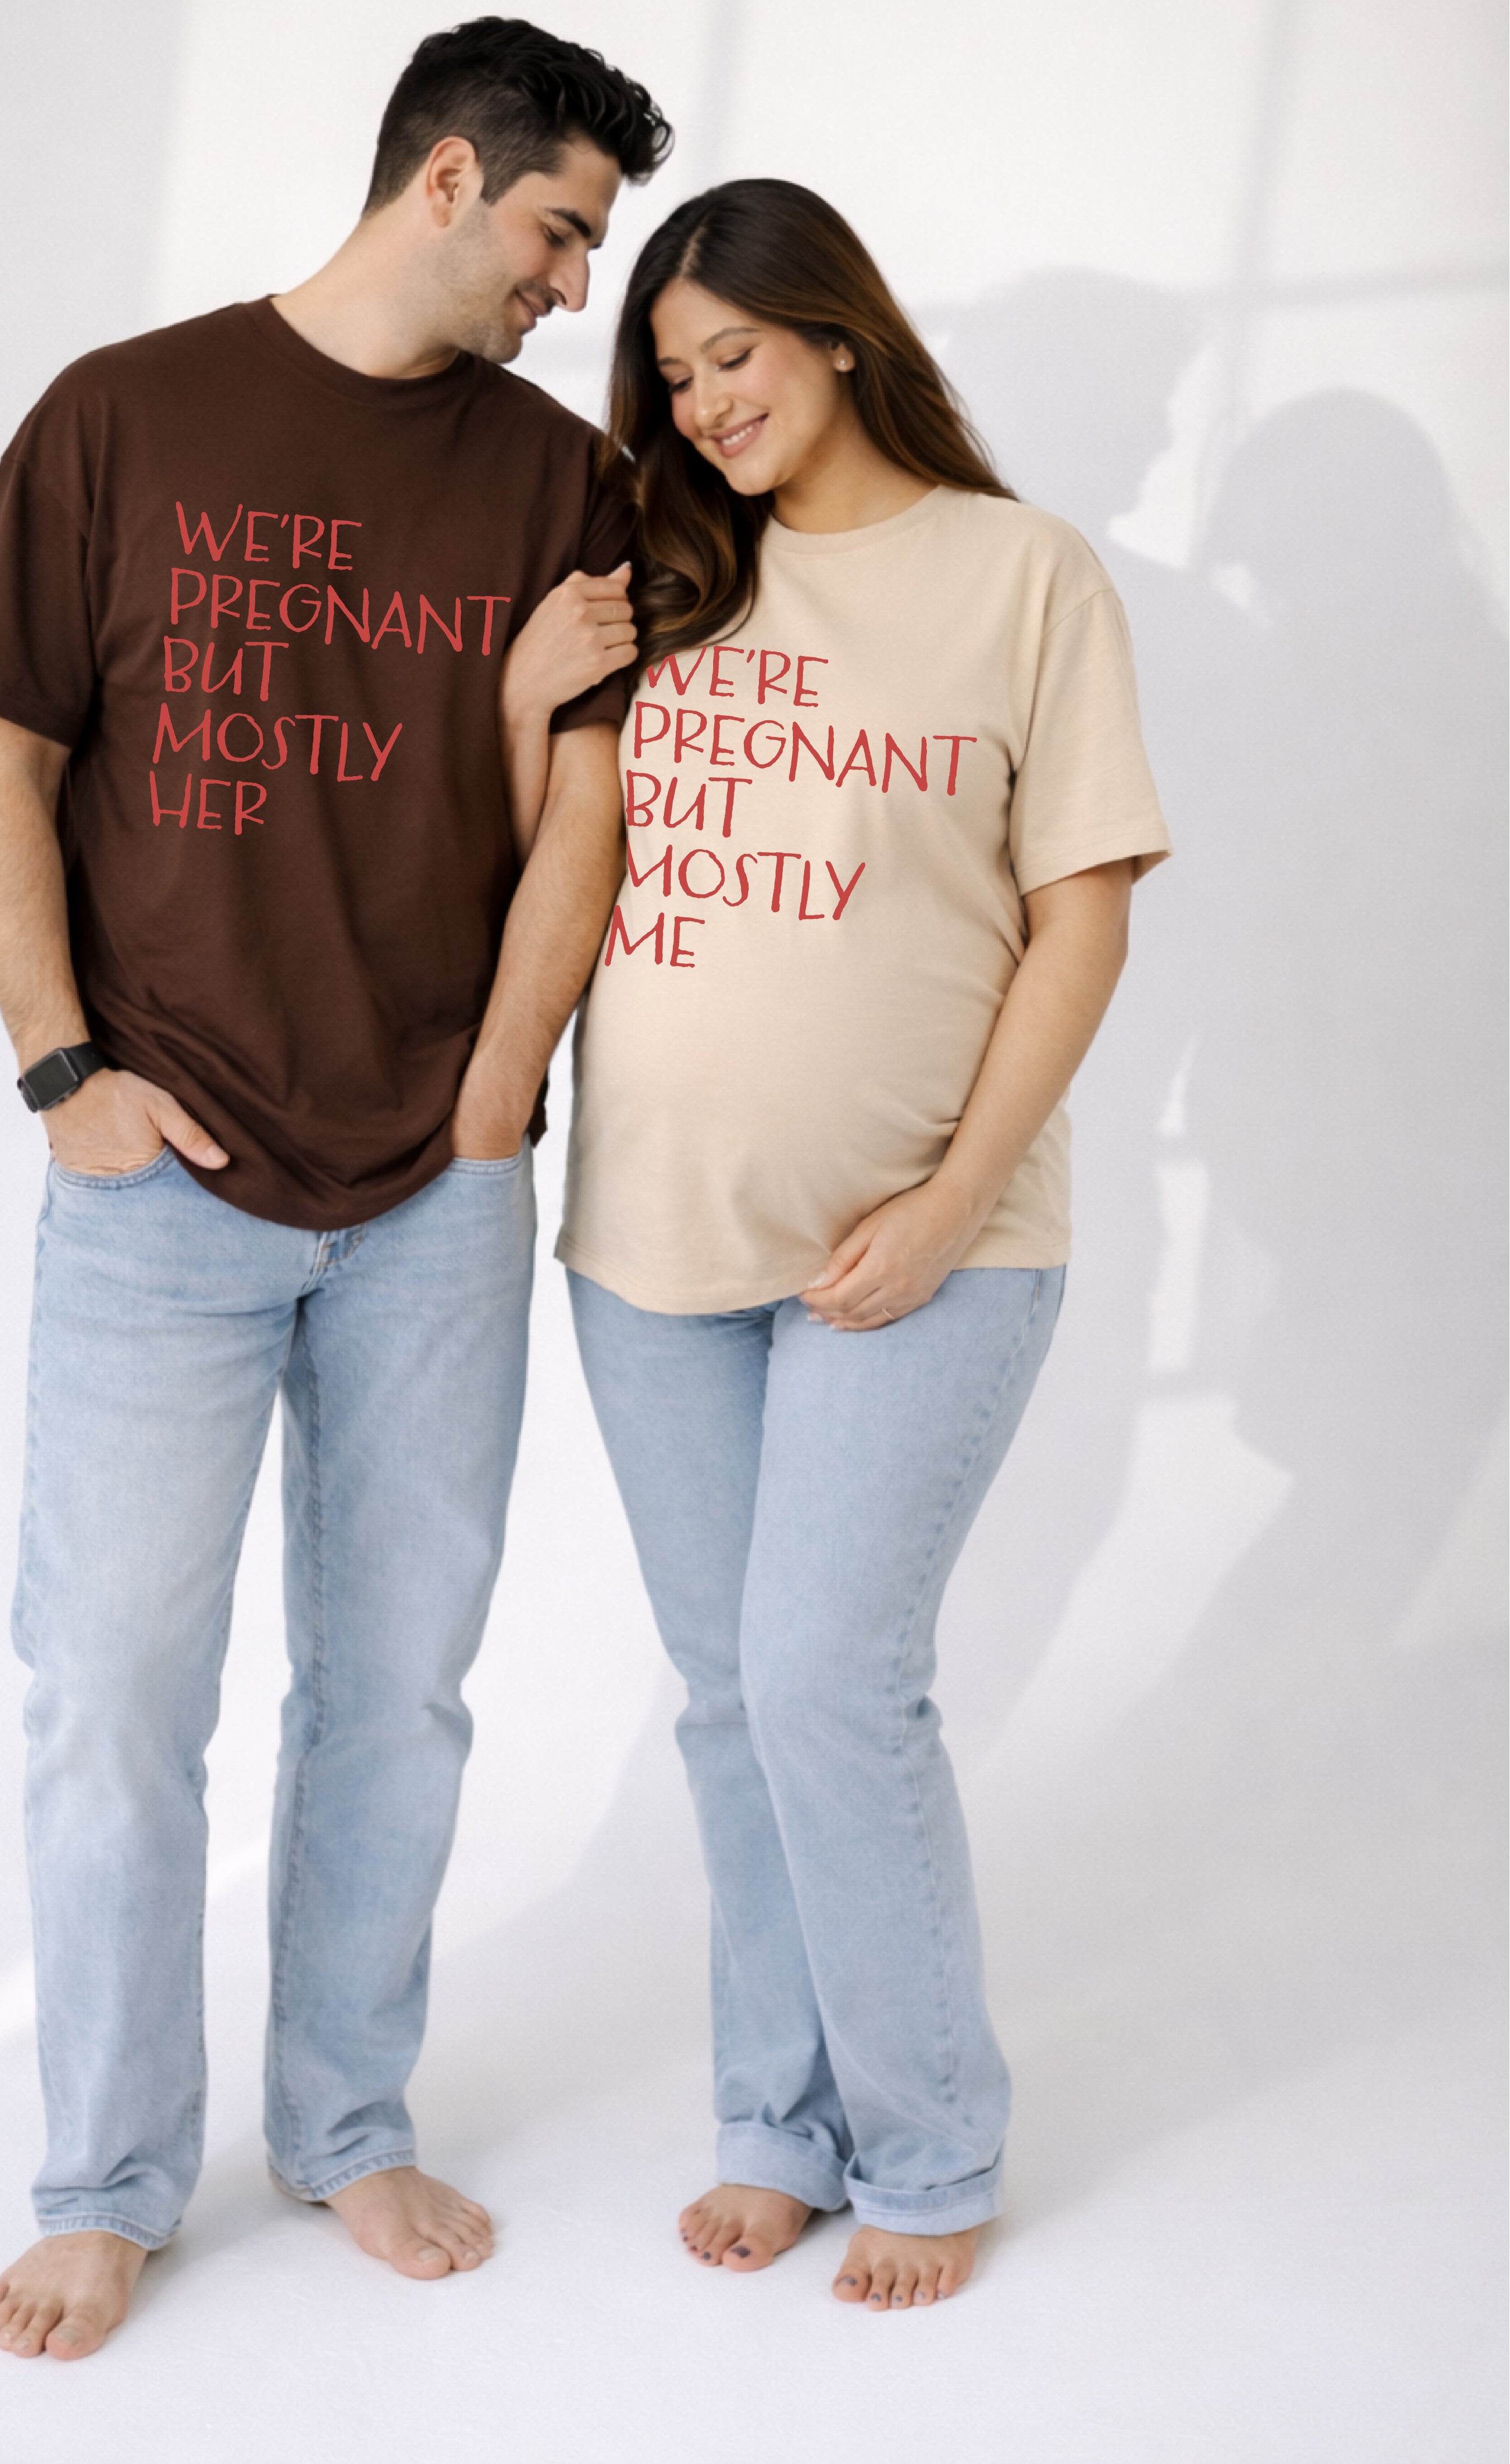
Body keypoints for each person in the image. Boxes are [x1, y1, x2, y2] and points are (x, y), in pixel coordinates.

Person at [0, 17, 670, 2360]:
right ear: (447, 179)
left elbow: (592, 830)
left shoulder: (563, 490)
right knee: (115, 1689)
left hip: (435, 1192)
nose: (576, 290)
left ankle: (344, 2120)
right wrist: (64, 1075)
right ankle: (112, 2175)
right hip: (161, 1182)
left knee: (397, 1689)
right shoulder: (124, 415)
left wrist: (491, 1116)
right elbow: (6, 762)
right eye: (560, 230)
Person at [540, 180, 1170, 2311]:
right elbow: (540, 857)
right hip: (648, 1238)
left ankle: (925, 2141)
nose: (708, 401)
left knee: (829, 1676)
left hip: (935, 1239)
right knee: (733, 1695)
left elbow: (1081, 910)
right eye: (676, 371)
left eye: (741, 354)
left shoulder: (1023, 574)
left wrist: (950, 1194)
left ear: (837, 334)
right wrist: (525, 686)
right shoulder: (657, 577)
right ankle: (773, 2120)